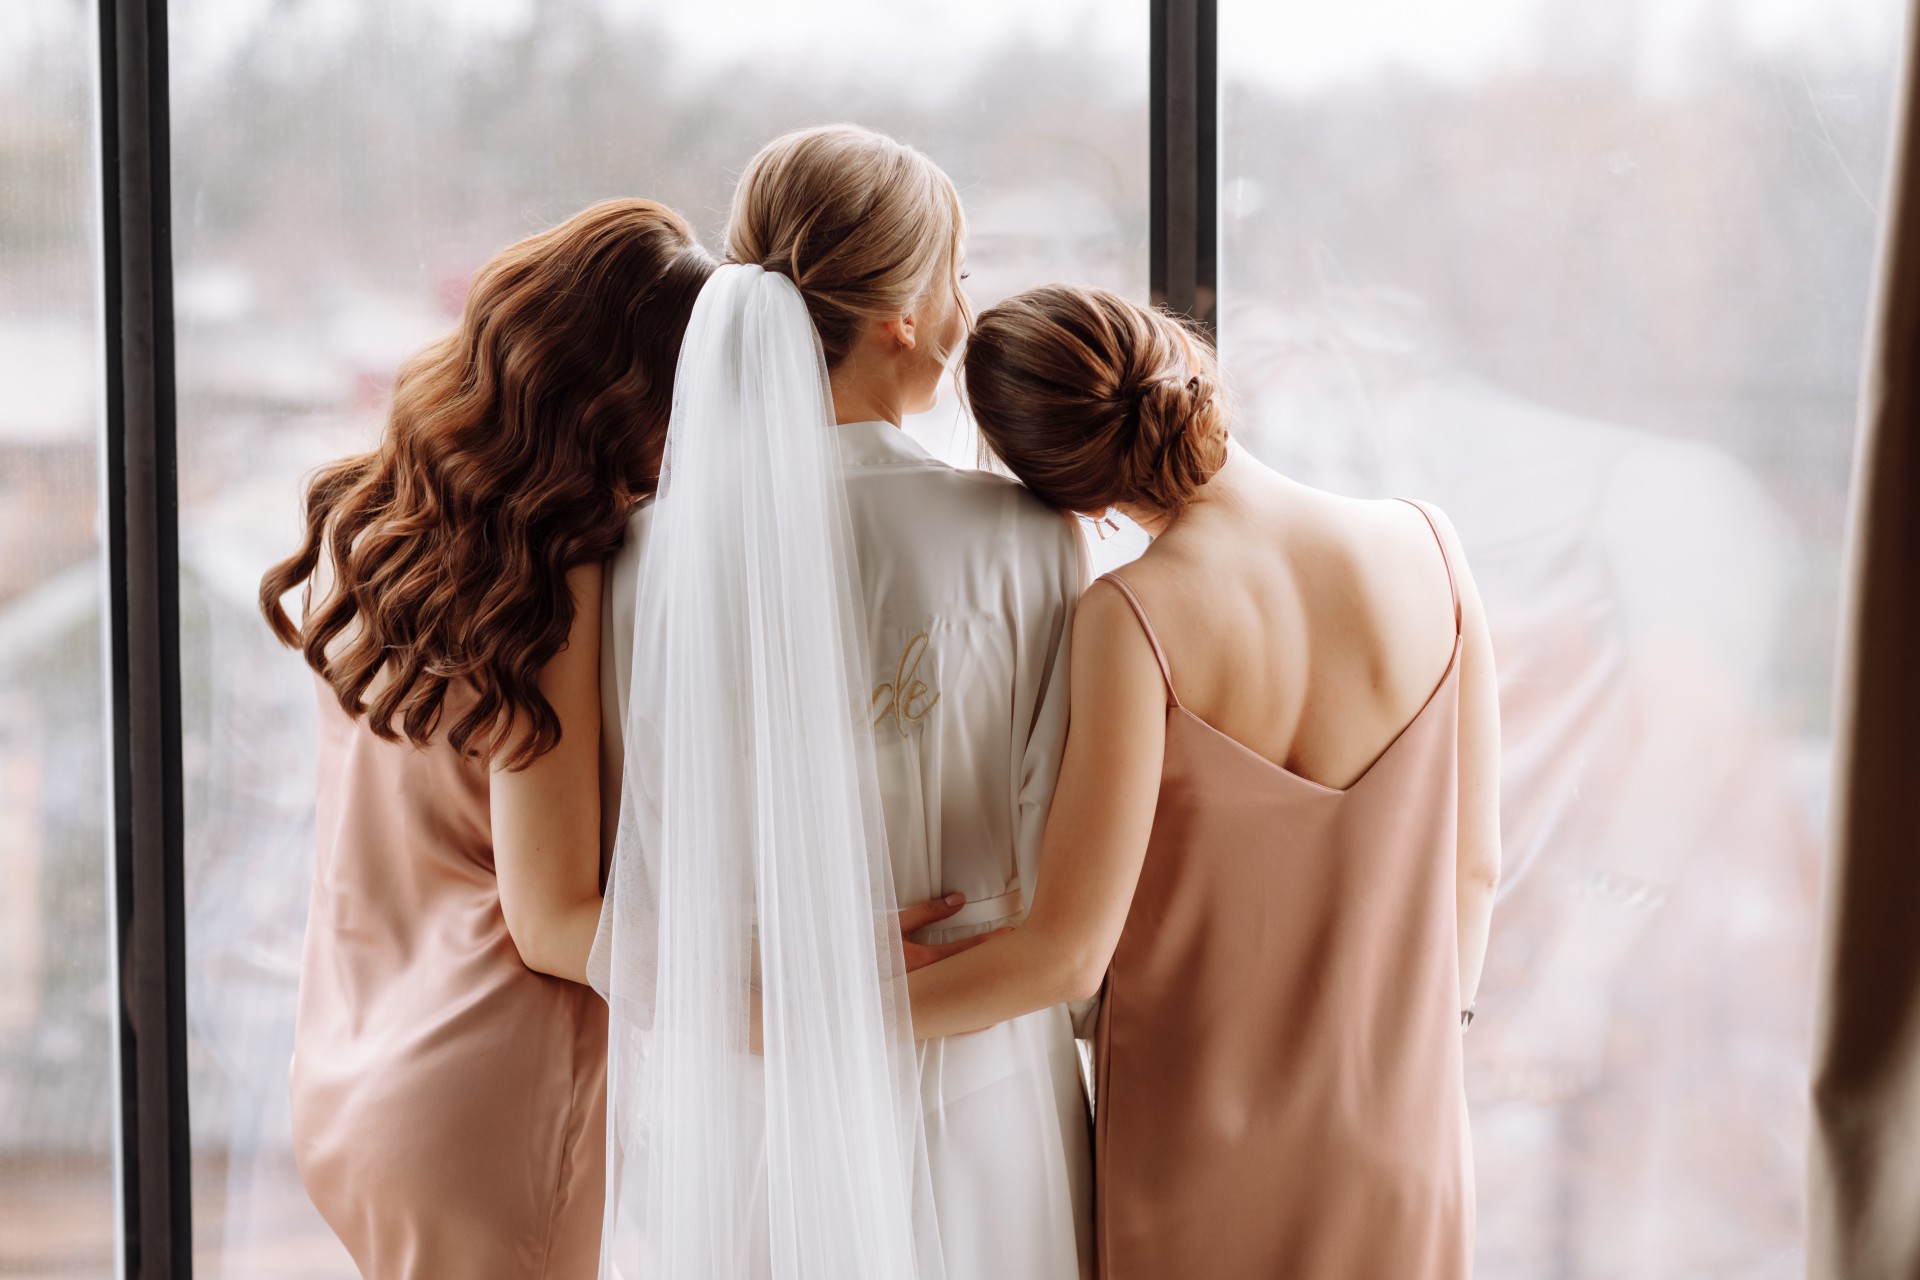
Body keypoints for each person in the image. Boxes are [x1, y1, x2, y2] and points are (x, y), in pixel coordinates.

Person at [909, 283, 1503, 1279]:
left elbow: (1065, 953)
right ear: (1188, 364)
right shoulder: (1433, 547)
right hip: (1400, 1141)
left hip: (1197, 1155)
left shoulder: (1134, 618)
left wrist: (834, 1011)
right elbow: (1474, 868)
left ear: (1071, 492)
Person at [583, 125, 1093, 1279]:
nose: (969, 305)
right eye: (956, 273)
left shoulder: (637, 559)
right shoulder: (1021, 535)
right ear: (901, 312)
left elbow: (641, 854)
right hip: (980, 1080)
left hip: (747, 1093)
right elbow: (1060, 851)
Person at [257, 199, 715, 1279]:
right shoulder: (557, 577)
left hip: (352, 1065)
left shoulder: (382, 526)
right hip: (492, 1088)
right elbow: (556, 921)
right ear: (628, 396)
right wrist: (806, 971)